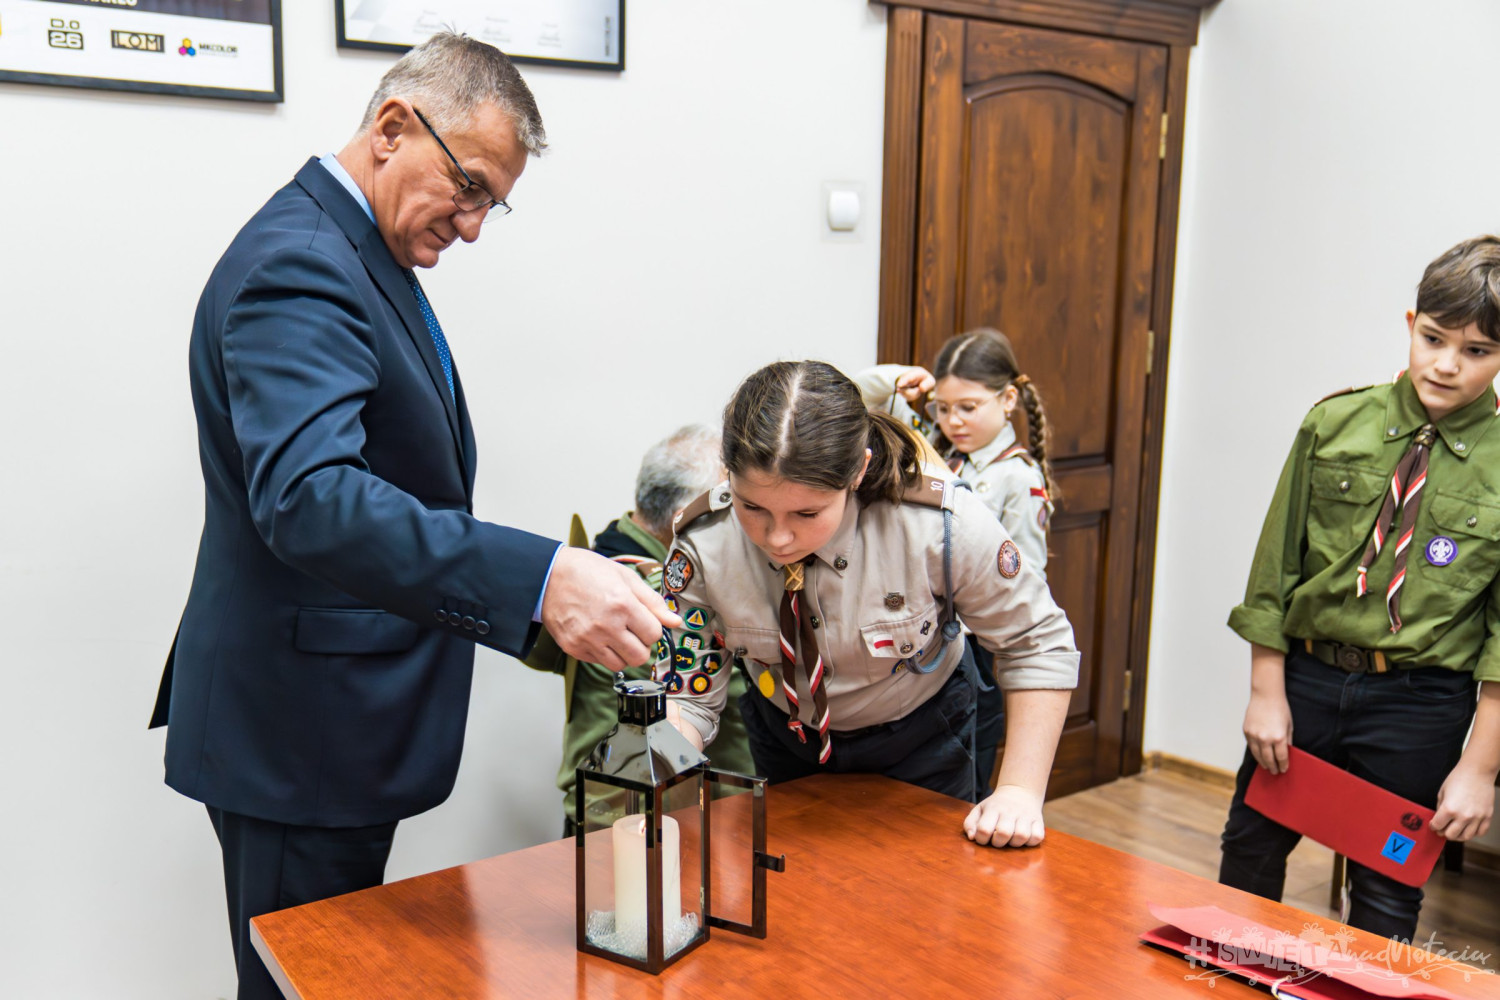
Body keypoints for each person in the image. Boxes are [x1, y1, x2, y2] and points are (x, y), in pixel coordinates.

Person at [147, 34, 677, 1000]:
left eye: (492, 204)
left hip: (322, 728)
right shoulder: (302, 264)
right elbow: (310, 500)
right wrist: (543, 578)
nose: (472, 226)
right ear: (393, 128)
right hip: (296, 736)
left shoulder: (352, 247)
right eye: (468, 186)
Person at [660, 360, 1080, 847]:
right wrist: (664, 778)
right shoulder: (703, 543)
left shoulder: (936, 526)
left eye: (807, 512)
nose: (777, 537)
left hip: (923, 743)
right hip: (786, 740)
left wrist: (1019, 792)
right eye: (752, 507)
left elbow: (1036, 643)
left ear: (857, 471)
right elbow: (686, 693)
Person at [1220, 235, 1500, 942]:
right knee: (1249, 849)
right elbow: (1273, 570)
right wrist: (1266, 691)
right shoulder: (1334, 422)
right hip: (1307, 679)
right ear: (1411, 325)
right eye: (1434, 338)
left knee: (1387, 886)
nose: (1445, 364)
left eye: (1476, 351)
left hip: (1419, 703)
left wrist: (1479, 768)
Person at [855, 328, 1057, 791]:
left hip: (977, 641)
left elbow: (1026, 573)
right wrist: (900, 377)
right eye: (943, 408)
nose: (953, 421)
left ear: (1008, 400)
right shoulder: (932, 447)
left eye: (968, 407)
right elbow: (857, 397)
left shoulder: (1017, 477)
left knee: (969, 755)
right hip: (925, 633)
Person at [553, 425, 756, 834]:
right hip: (648, 829)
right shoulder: (657, 602)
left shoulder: (597, 563)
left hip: (606, 812)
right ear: (690, 514)